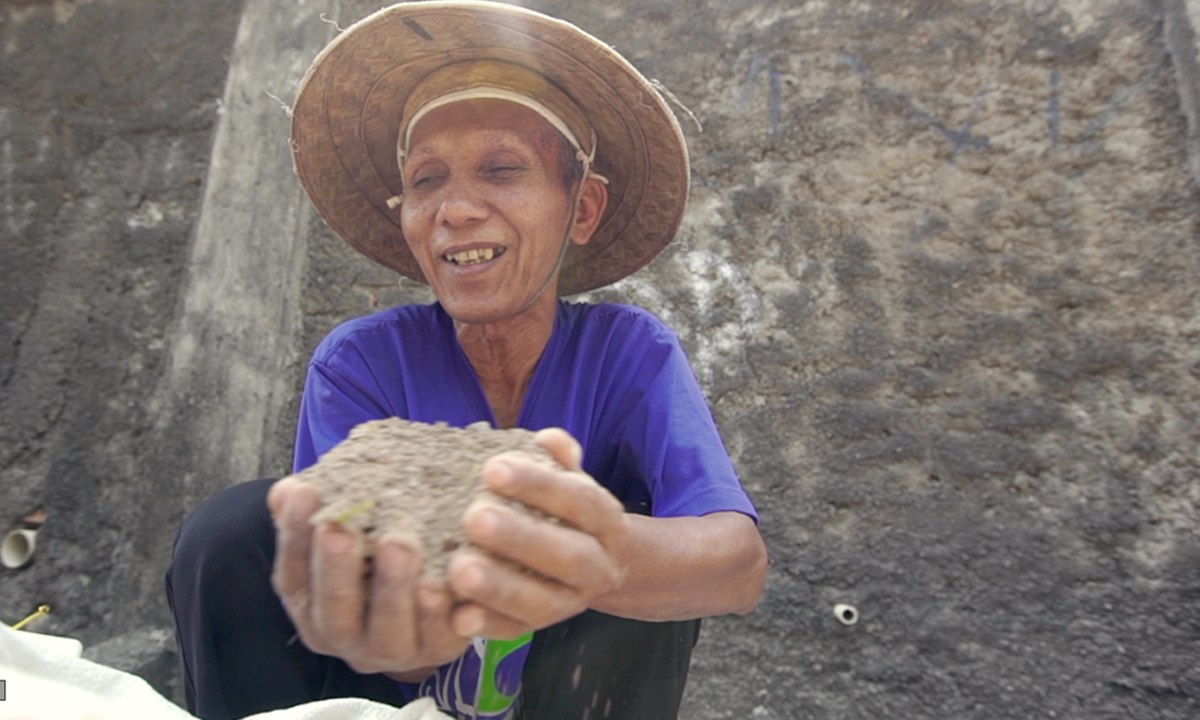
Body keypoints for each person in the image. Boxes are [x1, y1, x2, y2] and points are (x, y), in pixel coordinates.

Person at [165, 2, 768, 719]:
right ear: (406, 216)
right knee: (233, 532)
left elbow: (737, 565)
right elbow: (387, 623)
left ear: (581, 208)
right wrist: (411, 607)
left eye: (502, 169)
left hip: (563, 695)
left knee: (628, 522)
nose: (455, 209)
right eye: (426, 181)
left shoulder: (627, 353)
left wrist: (570, 549)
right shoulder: (362, 363)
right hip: (385, 699)